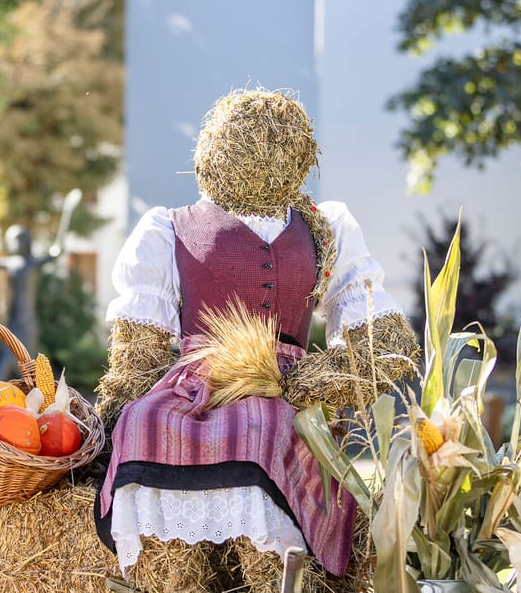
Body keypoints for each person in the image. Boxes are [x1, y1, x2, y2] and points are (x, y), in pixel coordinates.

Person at [93, 88, 419, 592]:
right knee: (143, 421)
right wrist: (112, 416)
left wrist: (326, 378)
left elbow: (375, 324)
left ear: (298, 157)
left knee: (266, 427)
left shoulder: (326, 228)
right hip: (195, 384)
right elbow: (141, 349)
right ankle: (169, 572)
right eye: (244, 145)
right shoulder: (168, 230)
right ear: (213, 153)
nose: (259, 154)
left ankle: (276, 575)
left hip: (285, 389)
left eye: (274, 146)